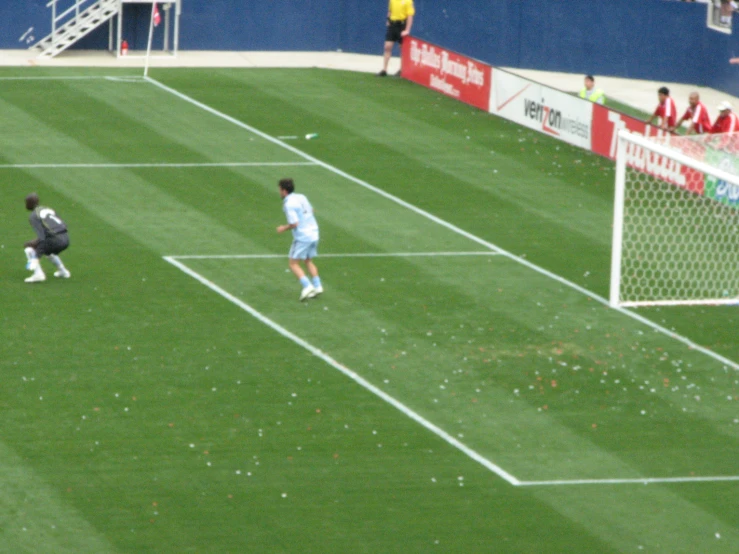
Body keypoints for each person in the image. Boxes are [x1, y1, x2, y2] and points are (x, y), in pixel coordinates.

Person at [276, 178, 323, 301]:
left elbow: (294, 223)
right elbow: (311, 210)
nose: (279, 192)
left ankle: (307, 286)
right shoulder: (301, 197)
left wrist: (283, 228)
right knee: (308, 260)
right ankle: (318, 286)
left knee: (293, 263)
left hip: (303, 236)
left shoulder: (288, 204)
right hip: (314, 232)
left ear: (284, 190)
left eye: (280, 189)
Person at [23, 193, 71, 283]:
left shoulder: (33, 216)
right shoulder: (48, 209)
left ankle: (38, 275)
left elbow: (42, 237)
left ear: (30, 203)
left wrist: (35, 251)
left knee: (29, 248)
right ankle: (63, 271)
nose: (26, 204)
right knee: (48, 250)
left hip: (55, 239)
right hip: (66, 238)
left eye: (26, 202)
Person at [378, 0, 415, 77]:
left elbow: (410, 16)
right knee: (387, 46)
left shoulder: (408, 1)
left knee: (402, 48)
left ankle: (401, 69)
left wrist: (407, 30)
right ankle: (384, 69)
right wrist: (388, 20)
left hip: (402, 25)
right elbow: (390, 11)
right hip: (393, 25)